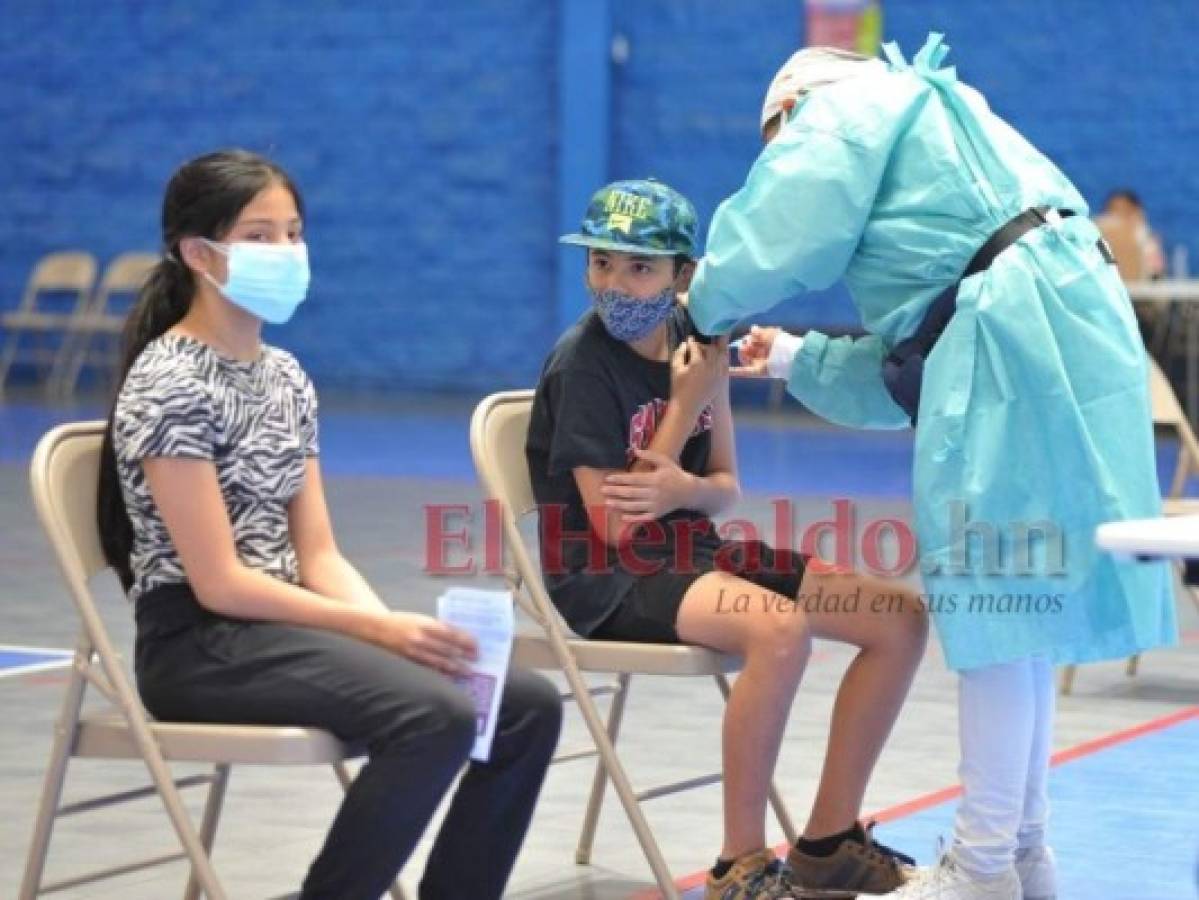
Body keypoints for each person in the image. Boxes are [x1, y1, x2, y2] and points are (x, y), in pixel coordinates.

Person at [685, 35, 1177, 900]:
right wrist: (793, 356)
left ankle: (982, 867)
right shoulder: (935, 129)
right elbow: (912, 364)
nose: (781, 164)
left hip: (1012, 337)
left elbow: (777, 229)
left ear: (791, 113)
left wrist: (701, 306)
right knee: (1021, 609)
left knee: (995, 610)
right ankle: (1023, 855)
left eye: (777, 150)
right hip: (1064, 328)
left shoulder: (842, 109)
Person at [96, 149, 562, 900]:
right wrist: (381, 638)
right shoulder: (170, 381)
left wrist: (397, 630)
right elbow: (218, 583)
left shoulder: (283, 376)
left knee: (522, 705)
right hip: (199, 644)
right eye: (260, 235)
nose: (284, 253)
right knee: (434, 717)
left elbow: (317, 553)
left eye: (293, 233)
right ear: (196, 252)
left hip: (282, 628)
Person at [526, 178, 929, 899]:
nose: (614, 283)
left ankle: (828, 843)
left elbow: (723, 486)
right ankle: (737, 865)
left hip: (688, 551)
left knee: (898, 619)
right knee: (776, 629)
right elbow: (614, 526)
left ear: (684, 273)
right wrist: (684, 405)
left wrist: (683, 489)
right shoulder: (582, 363)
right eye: (600, 263)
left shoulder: (696, 338)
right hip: (606, 573)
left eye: (639, 267)